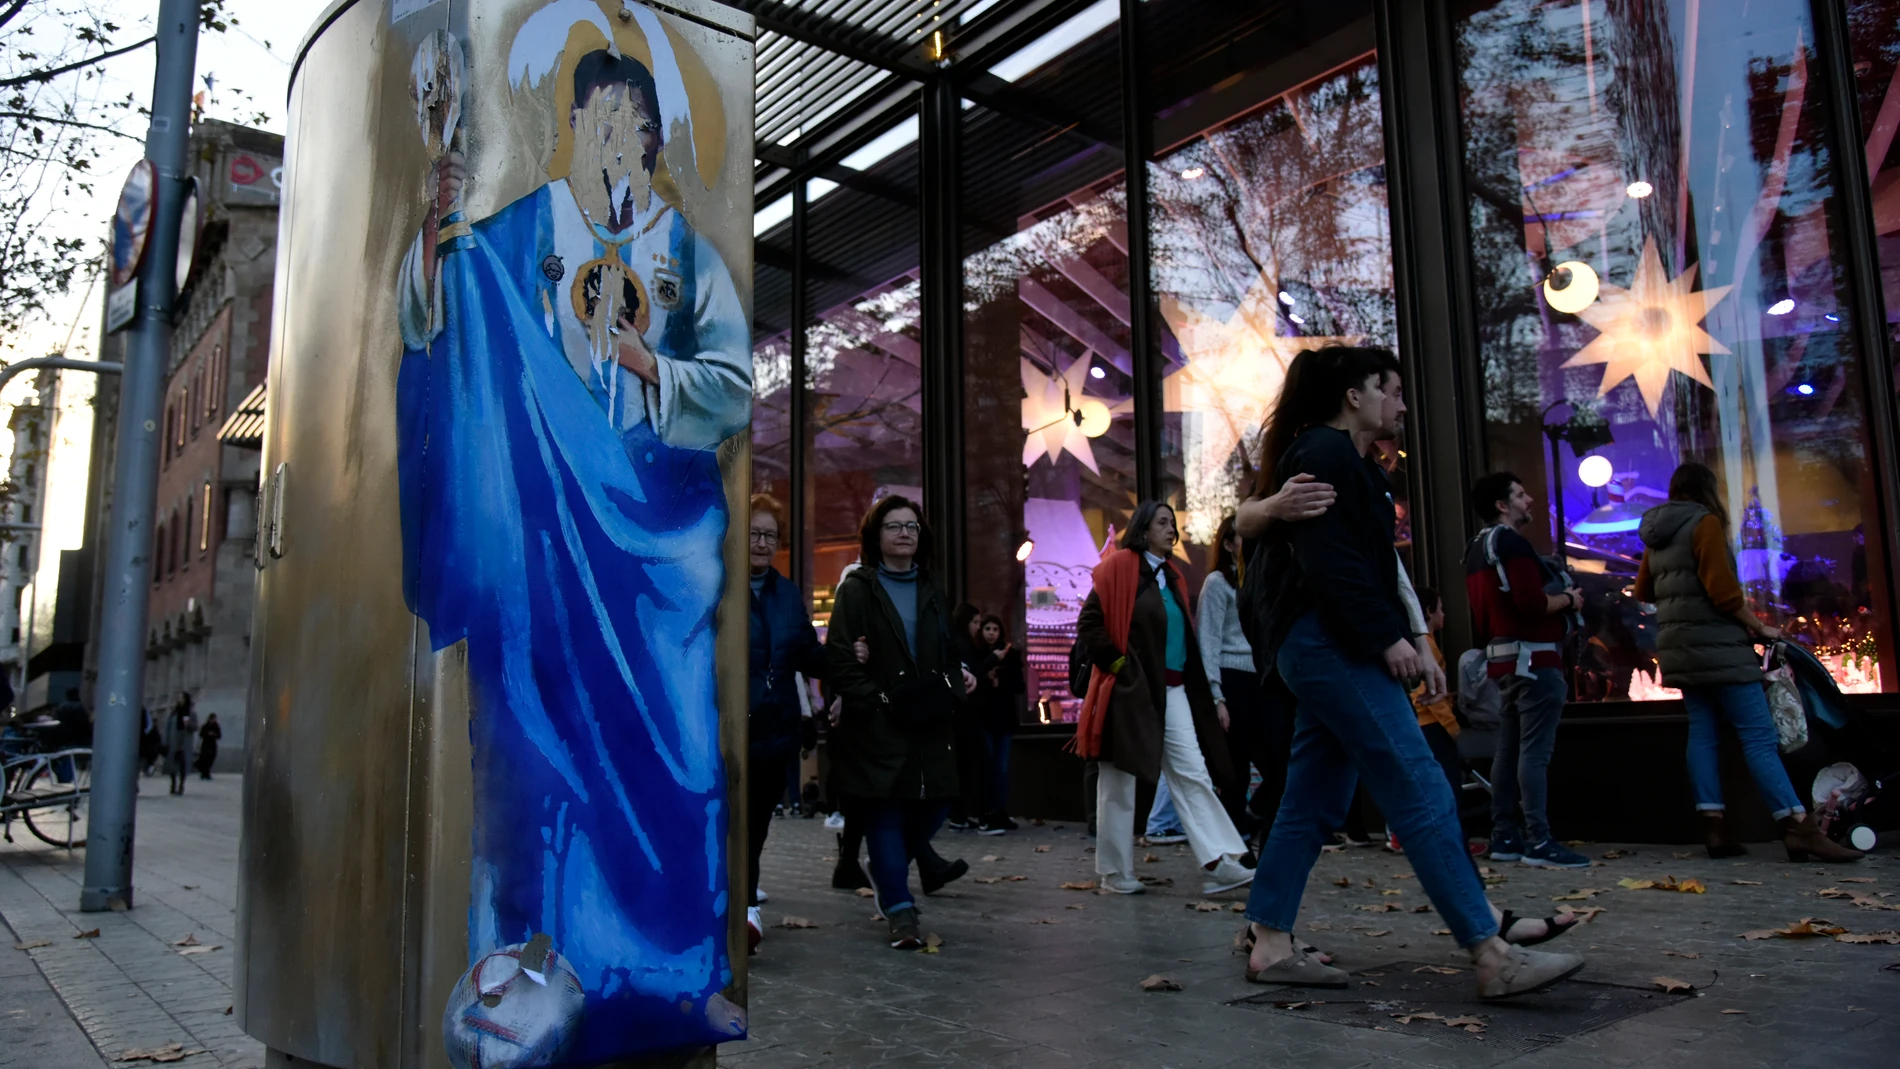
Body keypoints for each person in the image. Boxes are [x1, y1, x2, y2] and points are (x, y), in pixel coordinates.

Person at [393, 17, 752, 1045]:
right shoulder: (519, 231)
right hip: (543, 554)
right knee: (532, 753)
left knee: (681, 755)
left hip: (654, 553)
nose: (613, 136)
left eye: (632, 121)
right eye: (595, 117)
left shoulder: (682, 248)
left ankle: (678, 970)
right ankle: (524, 972)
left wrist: (651, 370)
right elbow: (448, 323)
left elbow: (731, 386)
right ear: (571, 129)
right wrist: (438, 235)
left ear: (650, 139)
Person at [1240, 345, 1583, 998]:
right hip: (1330, 644)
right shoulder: (1324, 452)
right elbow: (1331, 562)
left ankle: (1270, 939)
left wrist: (1414, 637)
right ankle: (1491, 951)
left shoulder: (1354, 464)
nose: (1401, 401)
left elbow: (1369, 567)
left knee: (1313, 798)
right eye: (1390, 388)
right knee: (1422, 784)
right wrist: (1388, 639)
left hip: (1321, 644)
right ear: (1355, 395)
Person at [1635, 463, 1861, 863]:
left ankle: (1715, 827)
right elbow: (1723, 593)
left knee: (1703, 733)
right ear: (1707, 490)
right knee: (1758, 735)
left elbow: (1643, 589)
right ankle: (1798, 827)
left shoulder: (1657, 534)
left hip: (1678, 648)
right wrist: (1760, 627)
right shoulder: (1704, 523)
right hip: (1720, 647)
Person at [1076, 500, 1256, 898]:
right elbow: (1089, 623)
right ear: (1142, 529)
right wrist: (1121, 666)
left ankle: (1223, 860)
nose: (1170, 529)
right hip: (1129, 691)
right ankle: (1114, 872)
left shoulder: (1172, 575)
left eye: (1173, 523)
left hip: (1172, 689)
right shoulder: (1118, 568)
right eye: (1162, 522)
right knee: (1117, 781)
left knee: (1191, 769)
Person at [825, 496, 971, 949]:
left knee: (936, 805)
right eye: (894, 526)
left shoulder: (932, 588)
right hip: (877, 722)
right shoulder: (858, 589)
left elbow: (948, 649)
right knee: (885, 812)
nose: (905, 533)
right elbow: (841, 658)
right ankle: (900, 909)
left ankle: (886, 872)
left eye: (912, 526)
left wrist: (958, 676)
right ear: (876, 535)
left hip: (930, 718)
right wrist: (876, 699)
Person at [1466, 471, 1590, 869]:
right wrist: (1569, 600)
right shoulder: (1513, 543)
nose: (1529, 500)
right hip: (1536, 659)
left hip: (1503, 660)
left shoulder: (1475, 547)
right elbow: (1532, 604)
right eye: (1520, 495)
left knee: (1508, 749)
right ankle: (1540, 840)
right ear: (1502, 505)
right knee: (1534, 753)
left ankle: (1504, 834)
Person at [744, 494, 830, 951]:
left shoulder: (786, 593)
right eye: (754, 533)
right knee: (726, 824)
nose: (761, 544)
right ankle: (733, 908)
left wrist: (844, 660)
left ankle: (744, 907)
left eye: (769, 536)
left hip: (774, 731)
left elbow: (805, 654)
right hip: (726, 731)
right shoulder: (717, 583)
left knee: (757, 824)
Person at [1198, 514, 1275, 841]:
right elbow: (1208, 640)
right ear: (1228, 544)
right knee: (1236, 772)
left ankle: (1253, 818)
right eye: (1242, 537)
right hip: (1232, 681)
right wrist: (1216, 696)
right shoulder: (1217, 583)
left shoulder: (1261, 581)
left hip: (1263, 681)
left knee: (1279, 765)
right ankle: (1236, 843)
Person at [973, 614, 1024, 834]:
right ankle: (987, 812)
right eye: (987, 629)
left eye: (995, 629)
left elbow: (1019, 685)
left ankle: (1000, 811)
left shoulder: (1010, 655)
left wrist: (1000, 679)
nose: (991, 633)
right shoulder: (978, 654)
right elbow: (972, 679)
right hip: (985, 718)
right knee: (987, 766)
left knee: (1001, 768)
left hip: (1004, 719)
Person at [946, 603, 988, 832]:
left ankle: (960, 813)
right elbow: (972, 674)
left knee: (965, 765)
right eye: (975, 623)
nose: (978, 628)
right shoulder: (961, 646)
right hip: (964, 716)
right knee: (966, 765)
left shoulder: (963, 644)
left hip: (964, 715)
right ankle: (960, 813)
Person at [165, 694, 198, 796]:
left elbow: (195, 727)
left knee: (182, 764)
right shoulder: (174, 713)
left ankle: (181, 785)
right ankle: (173, 784)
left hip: (184, 742)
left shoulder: (191, 714)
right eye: (179, 699)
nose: (180, 701)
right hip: (174, 741)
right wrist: (166, 741)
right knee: (172, 765)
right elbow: (168, 727)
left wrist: (189, 725)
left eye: (182, 699)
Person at [195, 714, 222, 780]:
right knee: (205, 759)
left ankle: (206, 772)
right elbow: (201, 734)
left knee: (211, 759)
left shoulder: (216, 726)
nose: (213, 720)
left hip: (212, 745)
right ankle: (204, 773)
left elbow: (219, 735)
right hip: (205, 744)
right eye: (212, 719)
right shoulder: (205, 726)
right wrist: (207, 733)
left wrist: (214, 734)